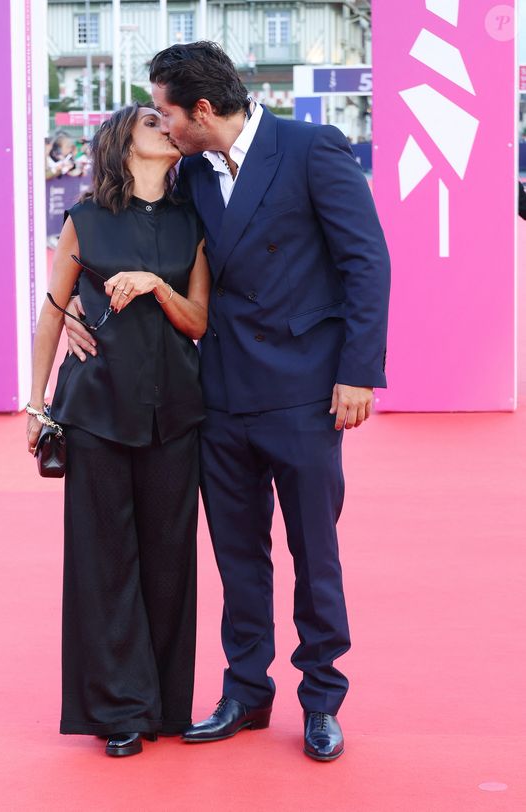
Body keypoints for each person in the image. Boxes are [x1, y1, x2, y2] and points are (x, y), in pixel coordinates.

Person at [68, 42, 391, 762]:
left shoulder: (311, 148)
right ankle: (246, 690)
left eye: (165, 113)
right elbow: (143, 243)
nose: (162, 125)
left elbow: (365, 259)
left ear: (203, 110)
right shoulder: (189, 177)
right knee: (238, 555)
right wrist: (67, 315)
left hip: (306, 391)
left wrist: (358, 372)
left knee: (315, 550)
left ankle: (320, 699)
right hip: (217, 394)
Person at [27, 103, 210, 758]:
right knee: (104, 564)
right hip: (97, 411)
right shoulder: (85, 220)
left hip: (175, 412)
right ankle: (119, 710)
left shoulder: (194, 222)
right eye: (154, 125)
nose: (170, 130)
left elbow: (197, 321)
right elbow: (52, 313)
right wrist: (35, 404)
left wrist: (156, 288)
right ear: (123, 144)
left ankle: (163, 702)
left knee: (169, 564)